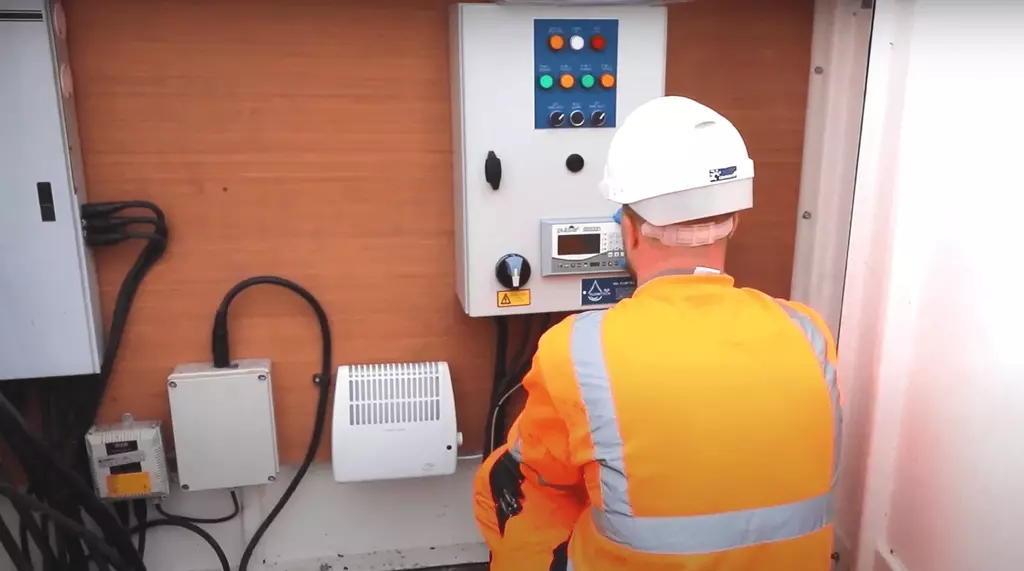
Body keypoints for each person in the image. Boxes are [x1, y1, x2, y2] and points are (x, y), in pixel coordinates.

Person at [472, 95, 841, 571]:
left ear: (628, 231)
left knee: (502, 481)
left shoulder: (578, 351)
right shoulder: (808, 332)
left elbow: (536, 474)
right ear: (734, 222)